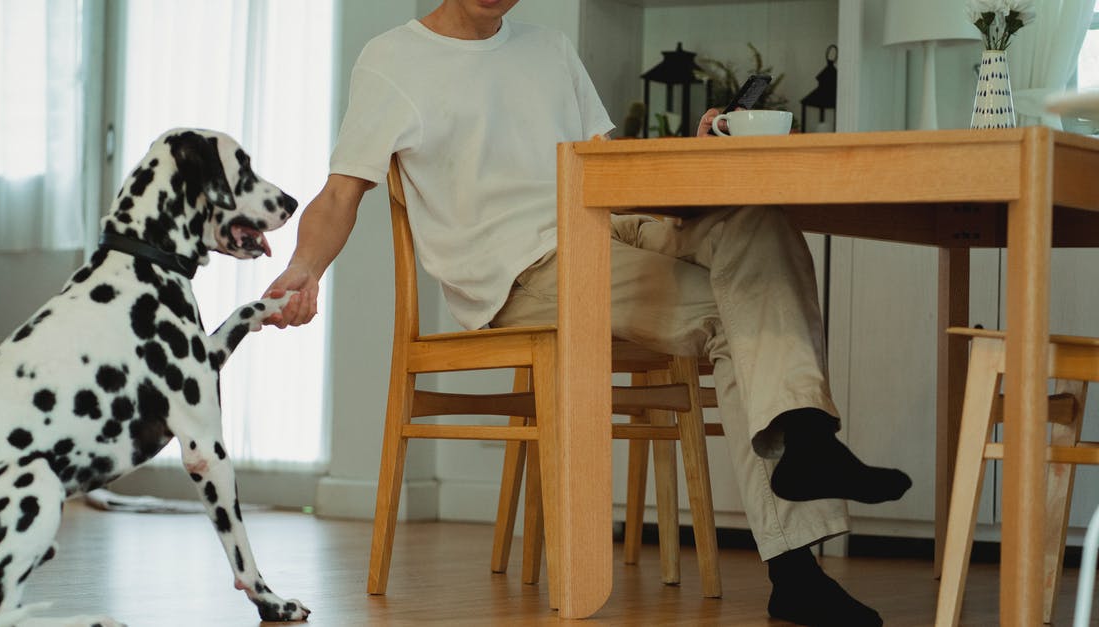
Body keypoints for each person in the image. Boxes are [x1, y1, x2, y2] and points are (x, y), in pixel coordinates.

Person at [265, 1, 911, 625]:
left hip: (614, 224)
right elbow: (339, 193)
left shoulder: (551, 50)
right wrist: (306, 270)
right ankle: (795, 564)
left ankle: (803, 435)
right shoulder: (393, 59)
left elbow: (611, 164)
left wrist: (694, 148)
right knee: (731, 311)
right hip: (526, 272)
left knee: (759, 225)